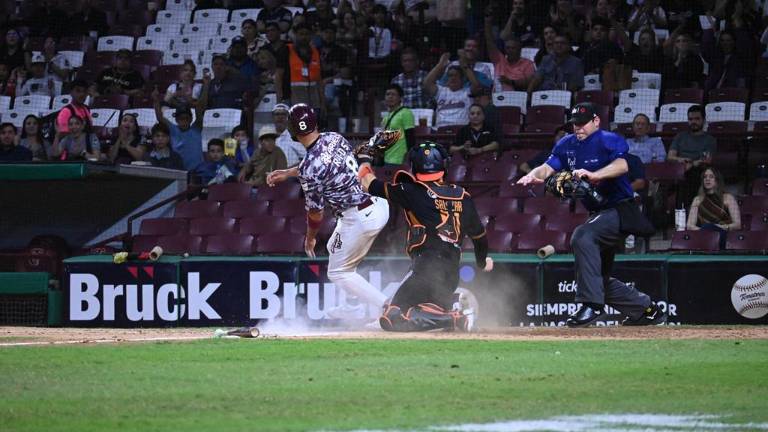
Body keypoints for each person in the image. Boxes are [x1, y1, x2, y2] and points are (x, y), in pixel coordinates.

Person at [517, 102, 665, 327]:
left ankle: (592, 306)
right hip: (598, 212)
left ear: (596, 121)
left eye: (583, 123)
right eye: (575, 124)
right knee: (599, 280)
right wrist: (533, 175)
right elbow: (548, 167)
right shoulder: (566, 144)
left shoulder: (608, 139)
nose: (578, 128)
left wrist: (596, 175)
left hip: (620, 208)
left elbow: (623, 165)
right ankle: (648, 310)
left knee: (582, 236)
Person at [266, 104, 390, 320]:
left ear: (293, 131)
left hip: (360, 217)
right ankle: (351, 306)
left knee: (338, 272)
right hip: (377, 203)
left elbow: (316, 214)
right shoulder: (333, 137)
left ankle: (388, 307)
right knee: (334, 247)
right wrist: (288, 173)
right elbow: (320, 165)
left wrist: (309, 239)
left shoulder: (309, 168)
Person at [357, 141, 493, 332]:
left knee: (392, 317)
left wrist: (364, 158)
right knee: (426, 309)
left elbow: (368, 183)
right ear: (443, 166)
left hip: (426, 267)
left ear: (414, 166)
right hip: (451, 272)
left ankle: (453, 318)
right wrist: (481, 261)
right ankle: (451, 305)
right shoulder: (463, 196)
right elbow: (480, 237)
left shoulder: (412, 191)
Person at [153, 80, 208, 171]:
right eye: (181, 119)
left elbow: (200, 107)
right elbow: (160, 117)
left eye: (186, 118)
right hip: (179, 170)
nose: (184, 121)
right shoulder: (172, 129)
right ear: (176, 120)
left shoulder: (197, 127)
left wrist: (206, 85)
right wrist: (155, 101)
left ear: (191, 119)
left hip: (198, 171)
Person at [686, 167, 741, 250]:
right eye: (705, 177)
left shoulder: (728, 198)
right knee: (707, 227)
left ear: (717, 180)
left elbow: (737, 224)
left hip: (723, 233)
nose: (707, 179)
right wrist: (705, 231)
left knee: (711, 229)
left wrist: (722, 227)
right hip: (704, 235)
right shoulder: (697, 199)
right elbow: (690, 225)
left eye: (711, 177)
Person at [423, 53, 481, 129]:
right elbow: (426, 83)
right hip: (441, 131)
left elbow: (476, 85)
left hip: (461, 131)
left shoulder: (467, 92)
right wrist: (440, 65)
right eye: (450, 75)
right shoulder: (441, 91)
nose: (453, 78)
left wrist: (464, 65)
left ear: (462, 79)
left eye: (456, 75)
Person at [484, 17, 535, 92]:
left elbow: (530, 81)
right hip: (497, 98)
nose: (510, 50)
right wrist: (487, 23)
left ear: (519, 49)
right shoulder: (499, 60)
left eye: (513, 48)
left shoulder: (528, 63)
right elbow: (489, 43)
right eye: (508, 48)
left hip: (517, 98)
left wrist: (510, 82)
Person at [380, 84, 415, 165]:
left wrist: (408, 158)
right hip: (387, 160)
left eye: (393, 94)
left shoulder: (406, 113)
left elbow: (410, 138)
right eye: (387, 94)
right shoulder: (385, 117)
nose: (390, 97)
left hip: (400, 161)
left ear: (400, 98)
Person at [272, 103, 306, 167]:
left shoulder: (295, 136)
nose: (280, 117)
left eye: (283, 114)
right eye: (277, 114)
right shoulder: (267, 135)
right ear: (273, 117)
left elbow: (307, 157)